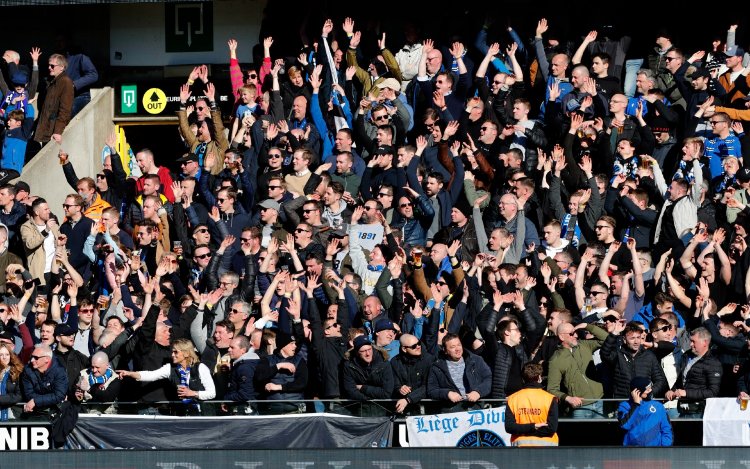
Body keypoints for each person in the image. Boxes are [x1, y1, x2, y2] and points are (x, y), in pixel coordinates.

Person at [118, 338, 216, 414]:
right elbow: (151, 375)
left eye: (176, 352)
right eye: (172, 352)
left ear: (186, 353)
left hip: (203, 414)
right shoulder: (170, 368)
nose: (172, 355)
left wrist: (193, 393)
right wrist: (130, 373)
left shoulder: (200, 368)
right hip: (184, 414)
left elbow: (212, 393)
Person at [427, 333, 492, 412]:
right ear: (445, 350)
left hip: (476, 408)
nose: (457, 349)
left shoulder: (476, 360)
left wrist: (478, 392)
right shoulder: (437, 367)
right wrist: (447, 393)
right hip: (451, 411)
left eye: (459, 345)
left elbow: (488, 379)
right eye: (452, 347)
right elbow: (431, 390)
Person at [29, 54, 74, 157]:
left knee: (56, 158)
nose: (49, 68)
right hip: (47, 128)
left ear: (62, 67)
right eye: (49, 65)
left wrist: (58, 131)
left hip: (54, 130)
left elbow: (65, 110)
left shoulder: (65, 82)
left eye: (52, 66)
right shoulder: (51, 82)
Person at [505, 363, 559, 447]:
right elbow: (551, 429)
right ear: (539, 378)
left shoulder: (512, 399)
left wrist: (530, 427)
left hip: (520, 445)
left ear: (523, 379)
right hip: (548, 446)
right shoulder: (550, 398)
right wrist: (534, 427)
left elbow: (510, 427)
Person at [617, 376, 673, 446]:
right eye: (647, 389)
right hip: (632, 452)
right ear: (637, 391)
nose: (650, 390)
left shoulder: (658, 406)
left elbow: (666, 429)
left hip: (655, 452)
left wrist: (664, 448)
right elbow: (625, 425)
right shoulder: (625, 406)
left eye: (650, 388)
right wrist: (636, 405)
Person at [20, 343, 68, 417]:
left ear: (47, 359)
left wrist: (35, 401)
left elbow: (59, 395)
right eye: (32, 356)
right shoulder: (27, 370)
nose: (32, 360)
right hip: (34, 412)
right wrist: (47, 399)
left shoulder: (59, 371)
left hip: (56, 412)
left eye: (36, 358)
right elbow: (28, 394)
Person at [0, 342, 23, 420]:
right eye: (1, 355)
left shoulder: (17, 372)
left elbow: (19, 396)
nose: (4, 357)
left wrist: (1, 399)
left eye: (7, 354)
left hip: (11, 415)